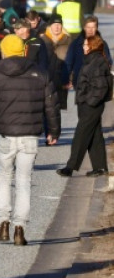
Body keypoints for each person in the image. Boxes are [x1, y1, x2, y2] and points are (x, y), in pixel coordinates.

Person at [0, 34, 60, 247]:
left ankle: (3, 224)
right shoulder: (39, 73)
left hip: (6, 133)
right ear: (24, 50)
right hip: (30, 135)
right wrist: (54, 131)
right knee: (24, 181)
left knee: (5, 178)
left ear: (3, 51)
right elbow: (51, 105)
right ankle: (20, 229)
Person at [58, 34, 112, 177]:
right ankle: (100, 167)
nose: (83, 47)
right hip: (87, 103)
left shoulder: (97, 61)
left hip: (91, 105)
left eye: (86, 45)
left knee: (80, 135)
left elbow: (101, 86)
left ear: (93, 46)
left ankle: (70, 167)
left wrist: (90, 102)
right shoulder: (91, 59)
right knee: (95, 135)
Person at [65, 15, 112, 88]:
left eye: (93, 27)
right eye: (88, 27)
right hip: (79, 82)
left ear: (96, 28)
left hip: (97, 84)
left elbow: (108, 62)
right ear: (84, 28)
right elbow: (68, 63)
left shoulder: (102, 44)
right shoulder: (75, 44)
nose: (90, 30)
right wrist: (66, 79)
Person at [41, 15, 72, 111]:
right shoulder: (42, 40)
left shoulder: (68, 40)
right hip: (45, 80)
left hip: (61, 80)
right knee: (44, 109)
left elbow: (72, 62)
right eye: (54, 24)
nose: (57, 27)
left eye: (59, 24)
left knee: (56, 110)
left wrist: (71, 79)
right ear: (50, 26)